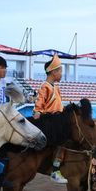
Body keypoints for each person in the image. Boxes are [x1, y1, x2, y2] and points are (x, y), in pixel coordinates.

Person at [33, 54, 67, 184]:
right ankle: (55, 170)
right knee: (61, 142)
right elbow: (40, 102)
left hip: (58, 120)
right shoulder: (45, 86)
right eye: (60, 71)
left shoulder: (56, 88)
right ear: (53, 72)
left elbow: (60, 105)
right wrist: (37, 111)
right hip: (50, 122)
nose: (61, 74)